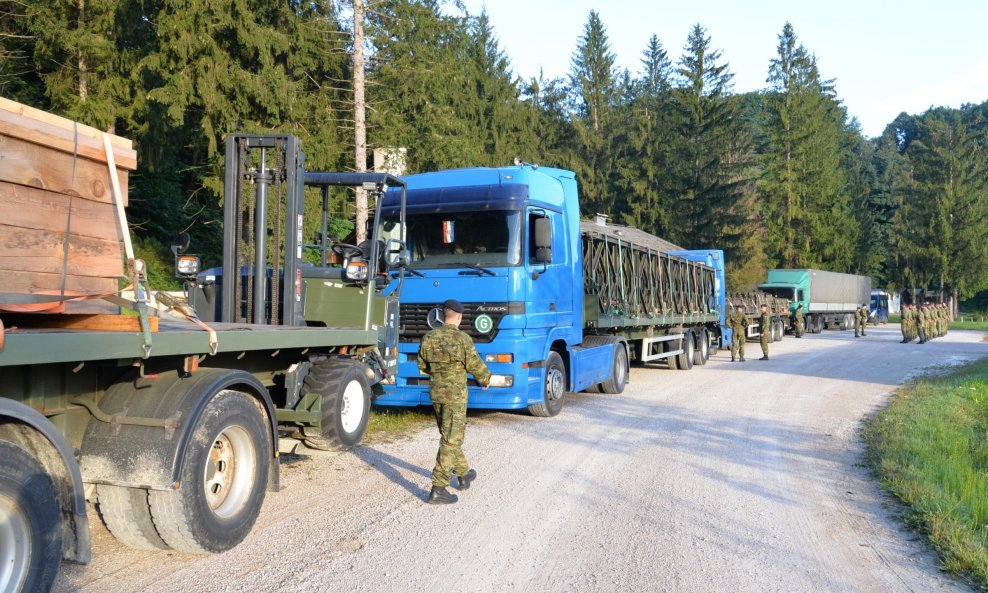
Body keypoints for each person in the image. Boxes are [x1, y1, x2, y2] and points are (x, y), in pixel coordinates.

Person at [417, 299, 492, 504]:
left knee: (450, 435)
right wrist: (485, 378)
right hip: (455, 397)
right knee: (451, 439)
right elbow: (474, 363)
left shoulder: (429, 337)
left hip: (436, 394)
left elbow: (422, 365)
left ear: (442, 315)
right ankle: (438, 487)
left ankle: (464, 474)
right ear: (458, 316)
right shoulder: (462, 339)